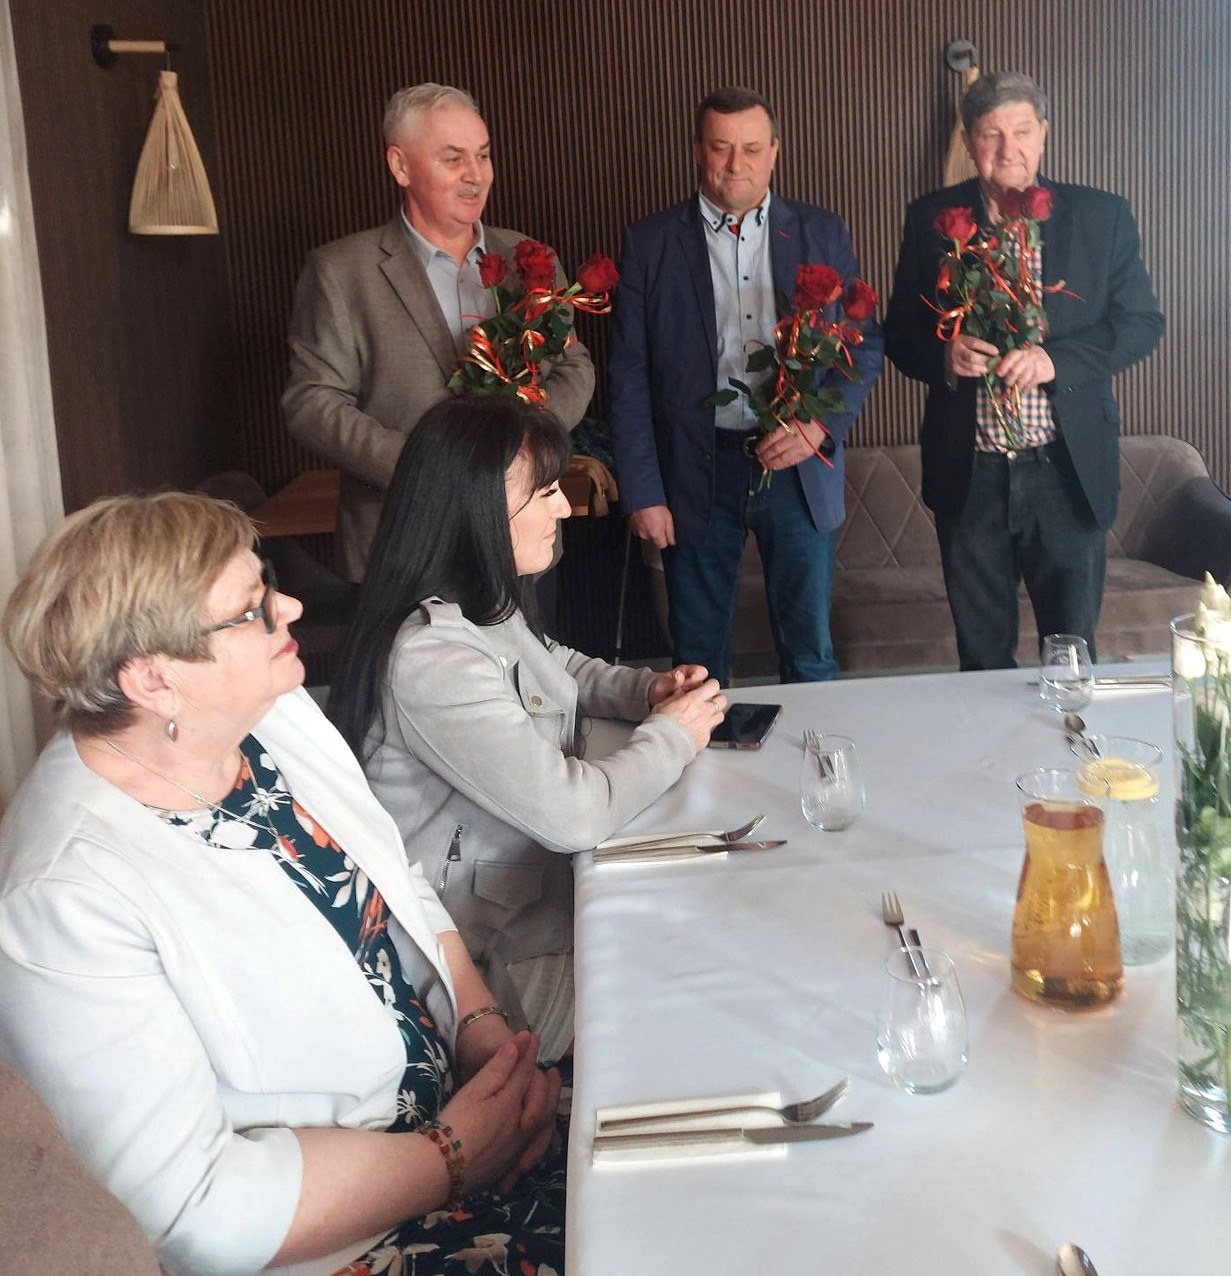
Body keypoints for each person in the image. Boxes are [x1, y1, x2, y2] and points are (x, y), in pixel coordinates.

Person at [0, 493, 566, 1276]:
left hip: (461, 1117)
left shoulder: (268, 711)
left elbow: (391, 874)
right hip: (349, 1239)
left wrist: (482, 1030)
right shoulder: (62, 897)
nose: (290, 605)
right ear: (153, 680)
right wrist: (454, 1155)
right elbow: (197, 1211)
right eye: (252, 608)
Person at [328, 397, 726, 1060]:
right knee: (700, 982)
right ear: (475, 509)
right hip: (484, 965)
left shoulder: (480, 603)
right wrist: (674, 736)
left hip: (535, 901)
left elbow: (552, 663)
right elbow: (575, 815)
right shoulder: (432, 657)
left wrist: (644, 691)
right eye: (543, 493)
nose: (564, 508)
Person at [885, 71, 1164, 667]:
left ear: (1043, 134)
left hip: (1065, 470)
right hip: (971, 474)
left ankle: (1071, 732)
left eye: (1021, 131)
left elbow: (1141, 323)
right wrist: (944, 355)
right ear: (969, 141)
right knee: (982, 658)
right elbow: (900, 335)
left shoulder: (1101, 216)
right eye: (991, 134)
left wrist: (1053, 361)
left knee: (1071, 654)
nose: (1007, 149)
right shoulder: (932, 219)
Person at [608, 86, 884, 685]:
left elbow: (862, 347)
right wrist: (643, 492)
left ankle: (814, 751)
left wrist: (819, 427)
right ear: (697, 150)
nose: (737, 164)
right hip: (696, 469)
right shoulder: (651, 243)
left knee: (810, 654)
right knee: (698, 660)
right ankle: (705, 751)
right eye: (721, 147)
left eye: (752, 149)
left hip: (798, 469)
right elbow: (627, 376)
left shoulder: (821, 232)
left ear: (775, 151)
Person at [283, 81, 594, 582]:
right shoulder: (340, 271)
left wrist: (520, 453)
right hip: (401, 542)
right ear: (400, 166)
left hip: (522, 542)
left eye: (483, 155)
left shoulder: (529, 258)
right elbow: (311, 402)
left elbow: (574, 364)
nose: (475, 175)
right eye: (453, 159)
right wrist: (424, 466)